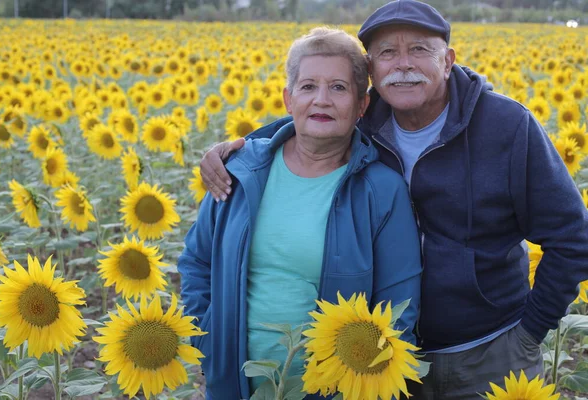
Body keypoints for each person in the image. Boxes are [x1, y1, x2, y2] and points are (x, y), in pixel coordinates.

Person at [199, 1, 588, 398]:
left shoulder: (506, 126)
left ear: (448, 59)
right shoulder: (367, 119)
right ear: (372, 71)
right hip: (381, 357)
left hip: (489, 349)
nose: (403, 64)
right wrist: (240, 149)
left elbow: (572, 237)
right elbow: (313, 116)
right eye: (387, 52)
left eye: (419, 49)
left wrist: (530, 331)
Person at [178, 27, 422, 400]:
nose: (321, 100)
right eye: (308, 87)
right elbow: (197, 261)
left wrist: (364, 383)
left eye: (338, 88)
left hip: (333, 389)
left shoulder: (381, 189)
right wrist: (209, 334)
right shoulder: (240, 171)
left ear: (362, 106)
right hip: (233, 384)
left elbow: (398, 305)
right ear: (289, 99)